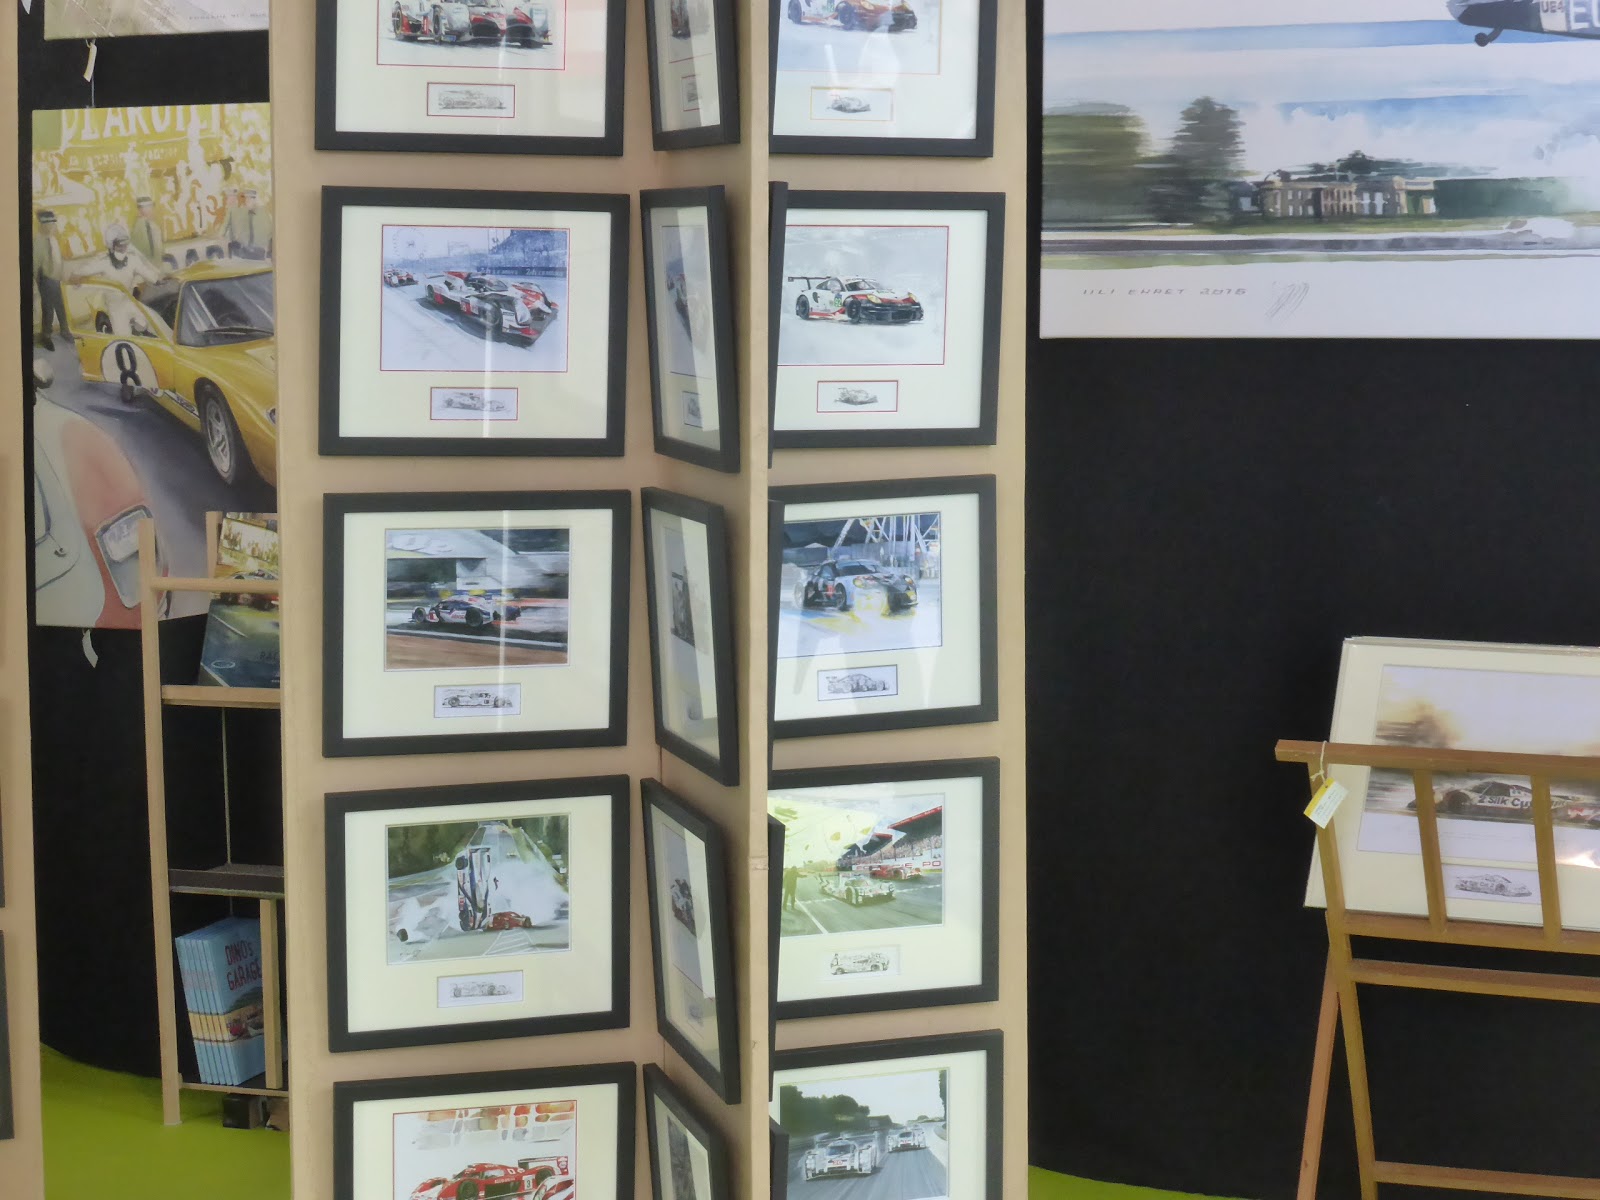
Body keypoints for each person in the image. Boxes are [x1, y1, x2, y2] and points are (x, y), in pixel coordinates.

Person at [33, 210, 71, 351]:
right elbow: (35, 264)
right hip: (46, 280)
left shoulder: (53, 240)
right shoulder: (38, 241)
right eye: (50, 223)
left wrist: (62, 274)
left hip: (56, 279)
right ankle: (46, 336)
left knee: (60, 306)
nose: (53, 226)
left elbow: (58, 259)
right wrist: (36, 284)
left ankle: (64, 331)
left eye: (54, 223)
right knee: (48, 309)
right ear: (42, 224)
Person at [226, 187, 273, 260]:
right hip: (247, 250)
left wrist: (265, 248)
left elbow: (269, 233)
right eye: (246, 199)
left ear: (254, 200)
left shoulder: (262, 212)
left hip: (260, 250)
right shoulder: (246, 213)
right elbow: (242, 231)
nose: (246, 202)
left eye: (248, 200)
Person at [129, 195, 164, 271]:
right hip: (150, 269)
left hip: (154, 267)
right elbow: (146, 253)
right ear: (140, 210)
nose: (151, 210)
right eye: (147, 208)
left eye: (151, 207)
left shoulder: (152, 224)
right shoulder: (142, 225)